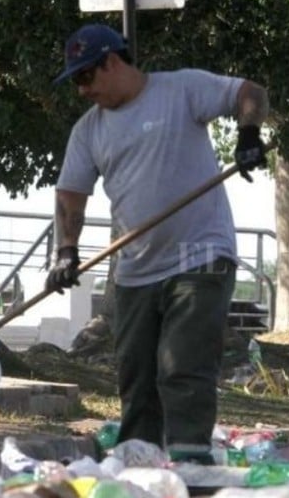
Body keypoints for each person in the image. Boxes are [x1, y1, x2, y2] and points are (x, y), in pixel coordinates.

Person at [47, 24, 271, 464]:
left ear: (112, 61)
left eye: (86, 76)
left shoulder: (180, 89)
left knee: (183, 363)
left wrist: (248, 135)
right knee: (137, 375)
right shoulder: (88, 130)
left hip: (201, 255)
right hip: (135, 269)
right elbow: (71, 193)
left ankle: (190, 461)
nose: (82, 90)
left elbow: (251, 93)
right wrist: (66, 251)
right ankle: (140, 461)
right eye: (75, 81)